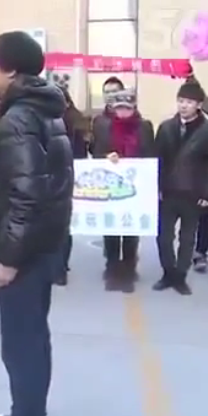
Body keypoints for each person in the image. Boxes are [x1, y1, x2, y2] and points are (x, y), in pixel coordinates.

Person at [0, 31, 73, 416]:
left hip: (27, 252)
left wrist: (10, 258)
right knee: (34, 339)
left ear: (11, 68)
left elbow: (26, 194)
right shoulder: (47, 110)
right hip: (46, 244)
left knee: (21, 345)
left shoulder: (19, 118)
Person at [91, 89, 155, 293]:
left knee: (131, 227)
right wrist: (106, 157)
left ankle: (129, 265)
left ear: (134, 108)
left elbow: (150, 153)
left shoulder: (144, 127)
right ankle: (111, 264)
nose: (123, 112)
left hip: (136, 184)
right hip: (111, 184)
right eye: (119, 108)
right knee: (110, 227)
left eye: (127, 108)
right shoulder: (103, 126)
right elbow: (94, 150)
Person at [154, 79, 208, 295]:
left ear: (199, 105)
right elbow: (157, 159)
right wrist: (156, 187)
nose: (184, 105)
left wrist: (206, 193)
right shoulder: (166, 127)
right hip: (168, 192)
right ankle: (168, 273)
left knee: (187, 238)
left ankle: (180, 277)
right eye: (181, 101)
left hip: (193, 193)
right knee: (164, 237)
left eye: (189, 102)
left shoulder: (206, 130)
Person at [54, 88, 89, 286]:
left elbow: (82, 152)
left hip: (68, 177)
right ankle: (56, 266)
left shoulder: (77, 122)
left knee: (63, 226)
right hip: (47, 178)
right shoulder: (43, 120)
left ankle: (61, 268)